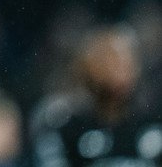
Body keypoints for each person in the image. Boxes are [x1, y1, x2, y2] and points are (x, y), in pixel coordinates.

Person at [30, 24, 162, 166]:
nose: (122, 69)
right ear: (86, 65)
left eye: (126, 60)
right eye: (110, 60)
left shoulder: (152, 121)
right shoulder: (62, 121)